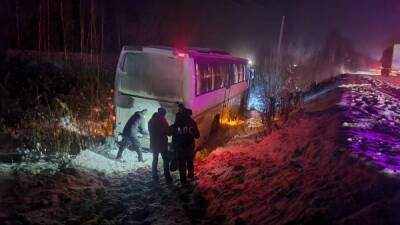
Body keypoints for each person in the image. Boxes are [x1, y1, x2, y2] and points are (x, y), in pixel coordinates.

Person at [171, 108, 200, 184]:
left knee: (182, 163)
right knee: (190, 161)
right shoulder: (192, 122)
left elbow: (174, 136)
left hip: (180, 148)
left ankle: (183, 179)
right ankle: (190, 175)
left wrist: (174, 145)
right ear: (189, 114)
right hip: (190, 147)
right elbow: (197, 135)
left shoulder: (178, 123)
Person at [148, 108, 172, 182]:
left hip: (154, 143)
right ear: (163, 113)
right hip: (162, 143)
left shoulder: (151, 120)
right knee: (166, 160)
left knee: (155, 159)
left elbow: (151, 131)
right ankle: (167, 176)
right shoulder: (163, 121)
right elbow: (167, 132)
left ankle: (154, 175)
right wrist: (171, 130)